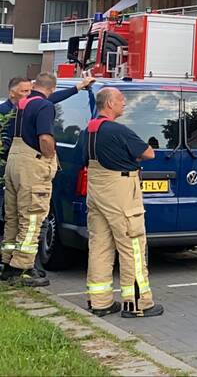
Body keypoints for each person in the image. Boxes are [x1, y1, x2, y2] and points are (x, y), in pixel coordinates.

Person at [82, 87, 163, 318]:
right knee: (132, 246)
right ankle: (137, 304)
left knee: (99, 247)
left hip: (96, 191)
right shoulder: (118, 130)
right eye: (120, 99)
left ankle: (99, 302)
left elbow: (84, 159)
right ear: (109, 103)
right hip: (121, 191)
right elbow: (149, 153)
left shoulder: (88, 130)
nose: (124, 102)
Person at [1, 73, 64, 285]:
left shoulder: (21, 104)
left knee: (13, 217)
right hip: (32, 166)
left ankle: (8, 262)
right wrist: (49, 156)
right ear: (52, 89)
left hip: (14, 162)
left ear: (35, 86)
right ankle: (23, 268)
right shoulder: (45, 106)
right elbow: (45, 137)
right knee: (32, 217)